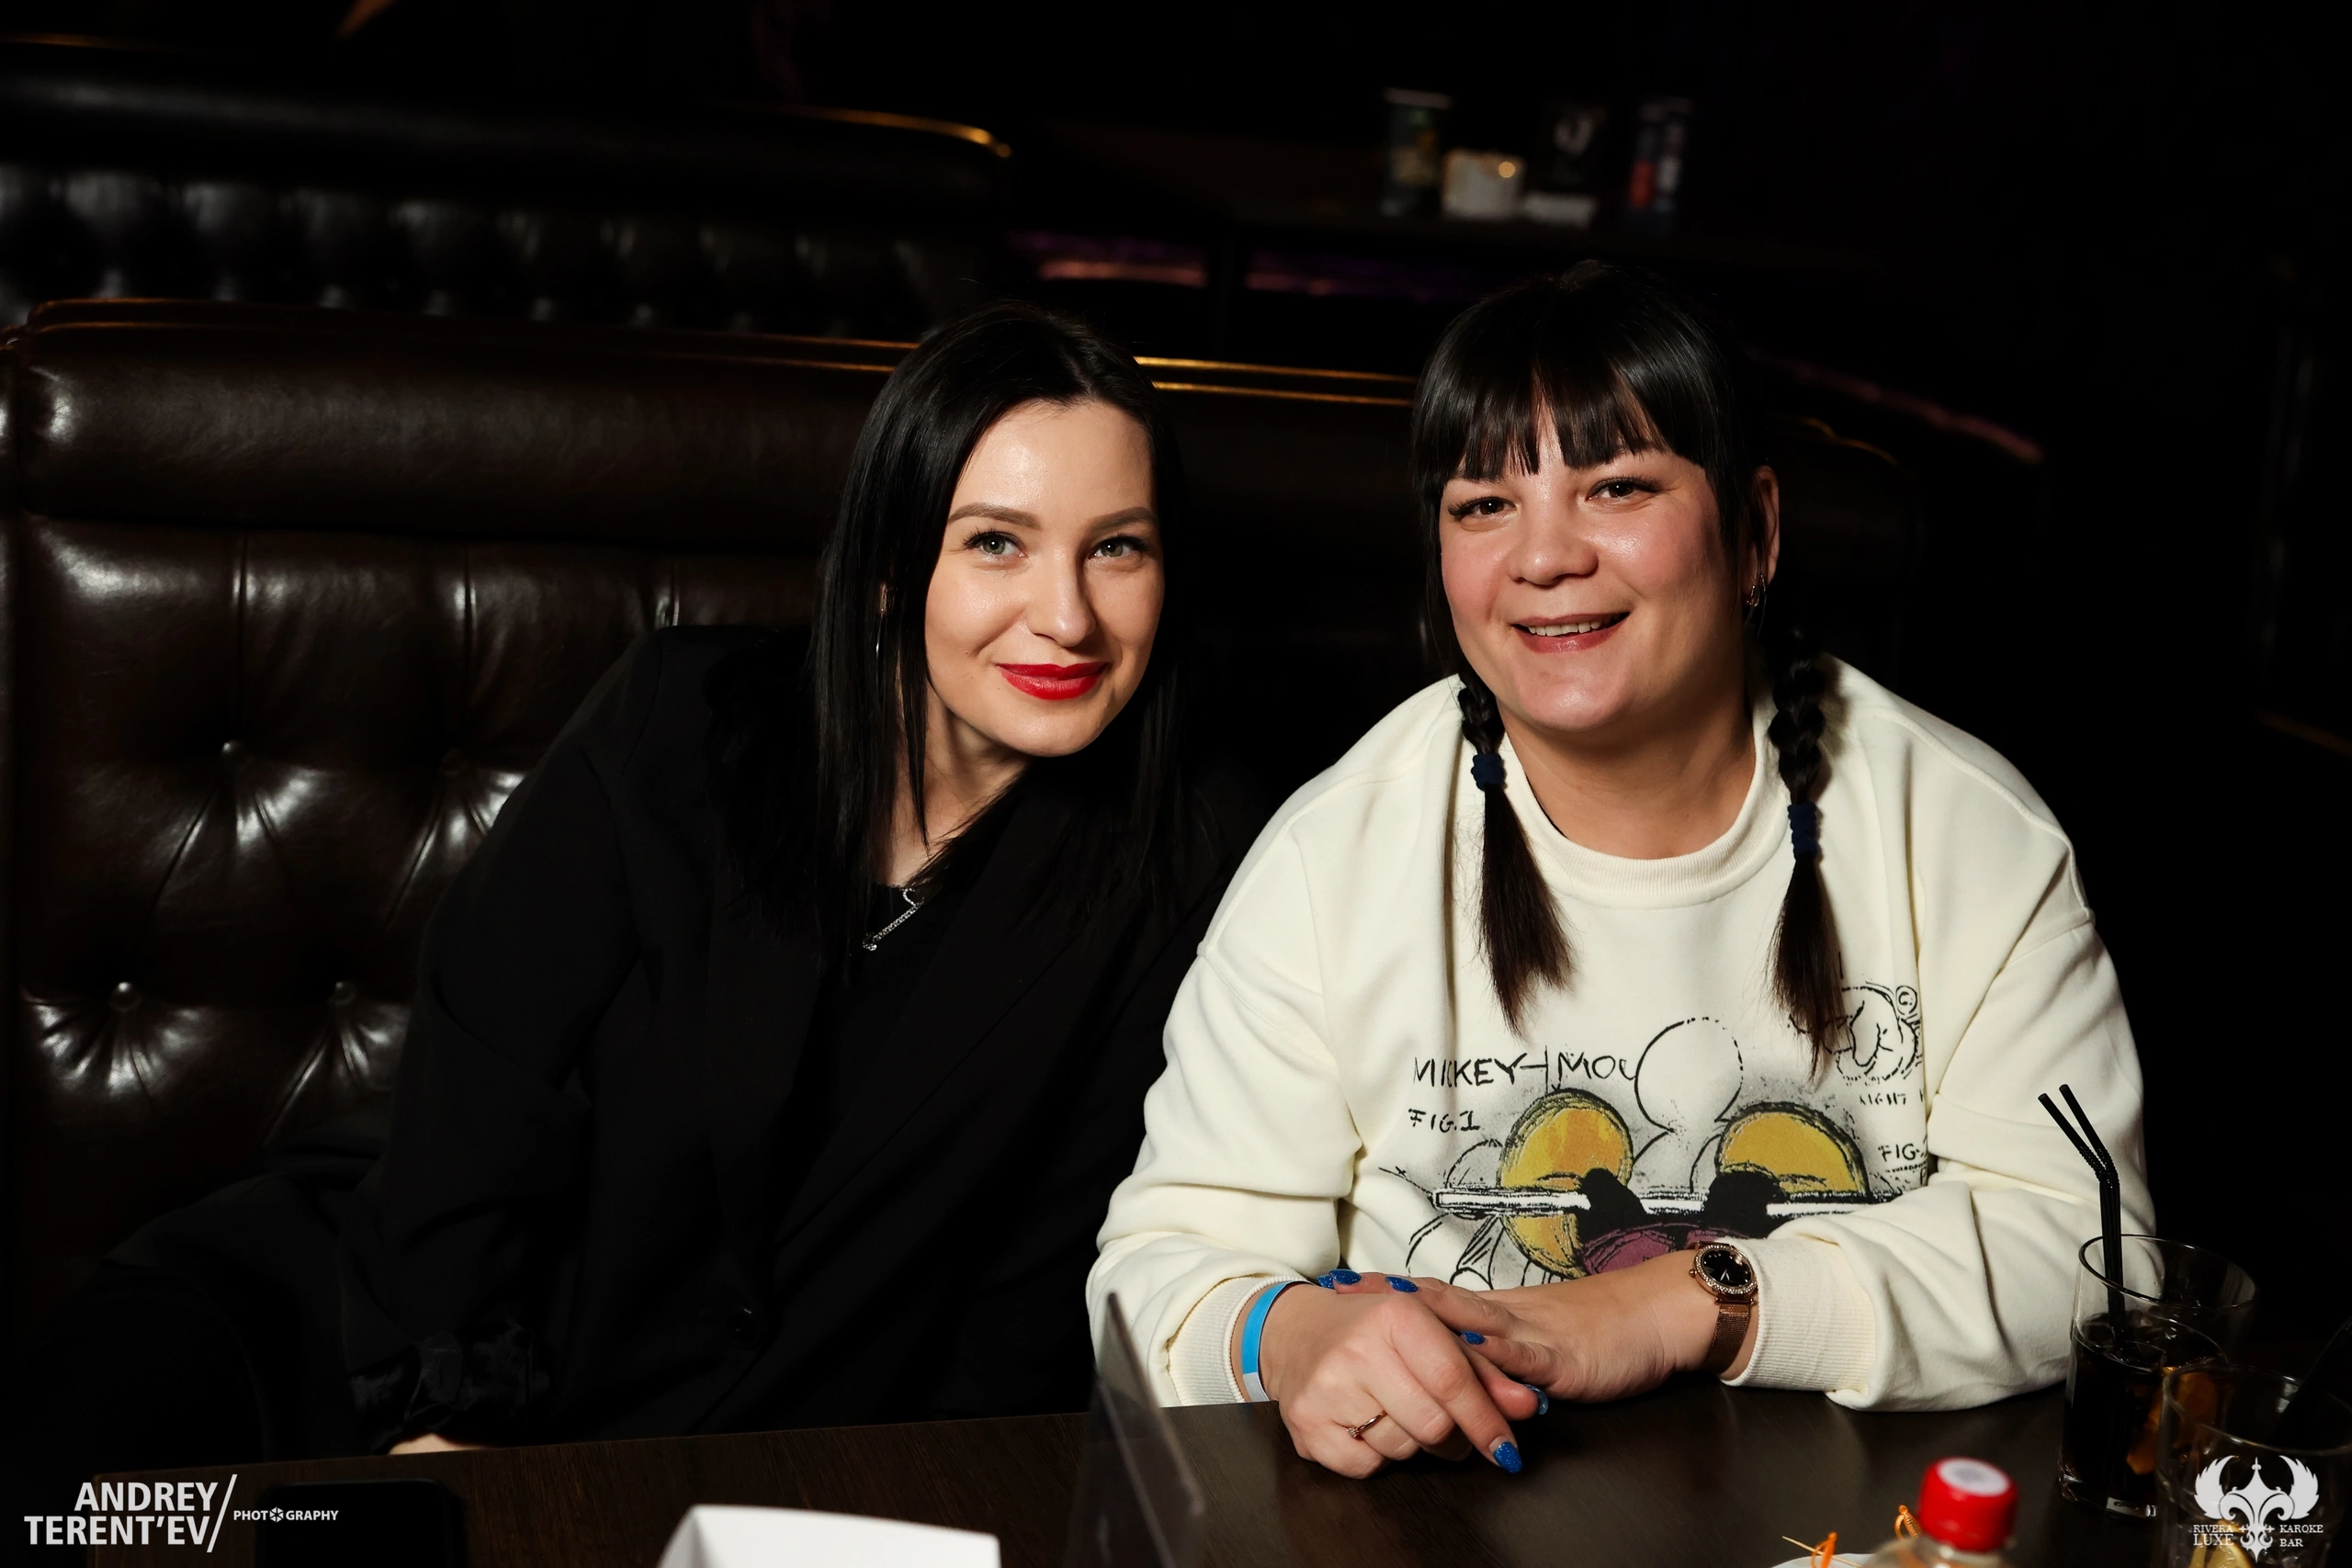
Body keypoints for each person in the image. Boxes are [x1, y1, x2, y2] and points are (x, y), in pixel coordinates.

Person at [4, 302, 1261, 1517]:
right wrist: (449, 1430)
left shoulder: (1185, 867)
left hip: (728, 1463)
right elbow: (481, 1085)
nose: (1066, 616)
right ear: (890, 568)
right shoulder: (687, 723)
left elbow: (1029, 1311)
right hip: (376, 1336)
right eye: (996, 542)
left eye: (1118, 547)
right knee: (65, 1512)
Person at [1088, 263, 2151, 1479]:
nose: (1544, 557)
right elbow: (1154, 1280)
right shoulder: (1335, 854)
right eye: (1484, 505)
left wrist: (1684, 1302)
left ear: (1755, 530)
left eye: (1617, 487)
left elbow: (2092, 1260)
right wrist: (1283, 1334)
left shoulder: (1967, 834)